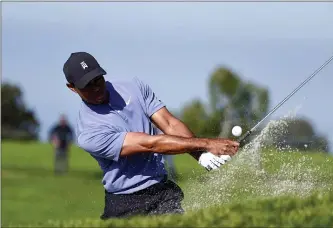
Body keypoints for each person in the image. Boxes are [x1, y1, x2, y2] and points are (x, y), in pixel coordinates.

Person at [62, 52, 239, 220]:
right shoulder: (89, 132)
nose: (96, 88)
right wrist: (207, 143)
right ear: (72, 88)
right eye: (87, 86)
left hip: (161, 191)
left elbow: (169, 124)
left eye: (98, 80)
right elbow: (150, 144)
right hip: (125, 204)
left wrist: (201, 155)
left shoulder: (133, 88)